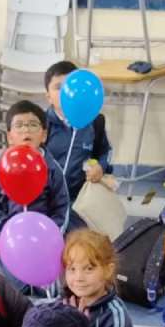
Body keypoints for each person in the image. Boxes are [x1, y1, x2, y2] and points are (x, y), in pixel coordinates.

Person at [0, 100, 70, 234]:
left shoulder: (52, 167)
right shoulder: (0, 164)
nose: (26, 130)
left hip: (42, 235)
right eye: (19, 125)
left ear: (44, 135)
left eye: (33, 125)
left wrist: (51, 232)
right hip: (8, 235)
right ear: (9, 136)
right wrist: (4, 226)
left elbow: (62, 207)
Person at [43, 60, 113, 219]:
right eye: (58, 87)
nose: (67, 92)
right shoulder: (42, 124)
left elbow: (105, 151)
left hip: (80, 199)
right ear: (48, 97)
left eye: (70, 86)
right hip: (46, 200)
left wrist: (101, 167)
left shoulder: (94, 122)